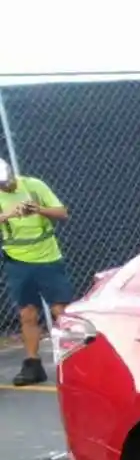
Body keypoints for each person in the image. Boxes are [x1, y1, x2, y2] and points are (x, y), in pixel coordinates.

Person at [1, 158, 72, 386]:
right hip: (18, 261)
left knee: (60, 311)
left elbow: (62, 213)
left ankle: (75, 361)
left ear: (12, 174)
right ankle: (33, 365)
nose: (6, 187)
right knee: (27, 314)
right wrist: (8, 215)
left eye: (8, 182)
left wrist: (38, 209)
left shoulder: (33, 186)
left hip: (48, 258)